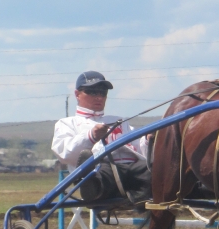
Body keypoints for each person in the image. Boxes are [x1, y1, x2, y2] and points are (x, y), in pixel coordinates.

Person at [51, 71, 152, 204]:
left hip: (131, 168)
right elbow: (64, 154)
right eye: (92, 92)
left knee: (152, 170)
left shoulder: (119, 120)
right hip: (103, 169)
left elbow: (139, 148)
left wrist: (148, 140)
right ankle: (90, 185)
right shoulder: (67, 123)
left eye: (103, 92)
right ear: (77, 94)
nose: (99, 97)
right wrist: (91, 136)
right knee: (103, 171)